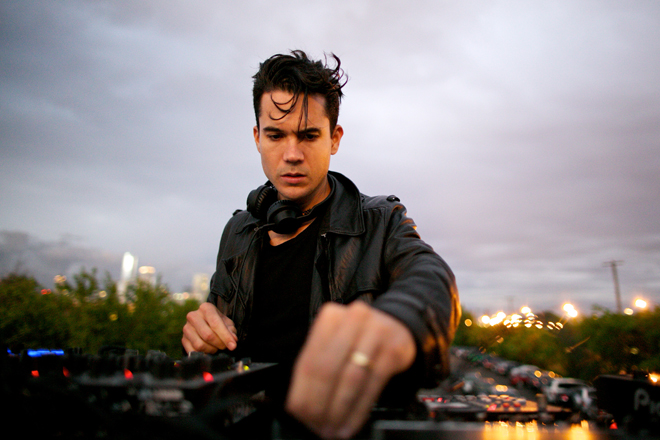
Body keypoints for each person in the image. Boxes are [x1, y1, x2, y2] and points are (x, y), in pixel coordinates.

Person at [182, 50, 460, 439]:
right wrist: (200, 338)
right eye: (276, 135)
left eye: (309, 135)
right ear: (257, 138)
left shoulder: (380, 221)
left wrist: (398, 322)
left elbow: (433, 277)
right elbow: (213, 339)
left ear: (334, 139)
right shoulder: (238, 232)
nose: (292, 155)